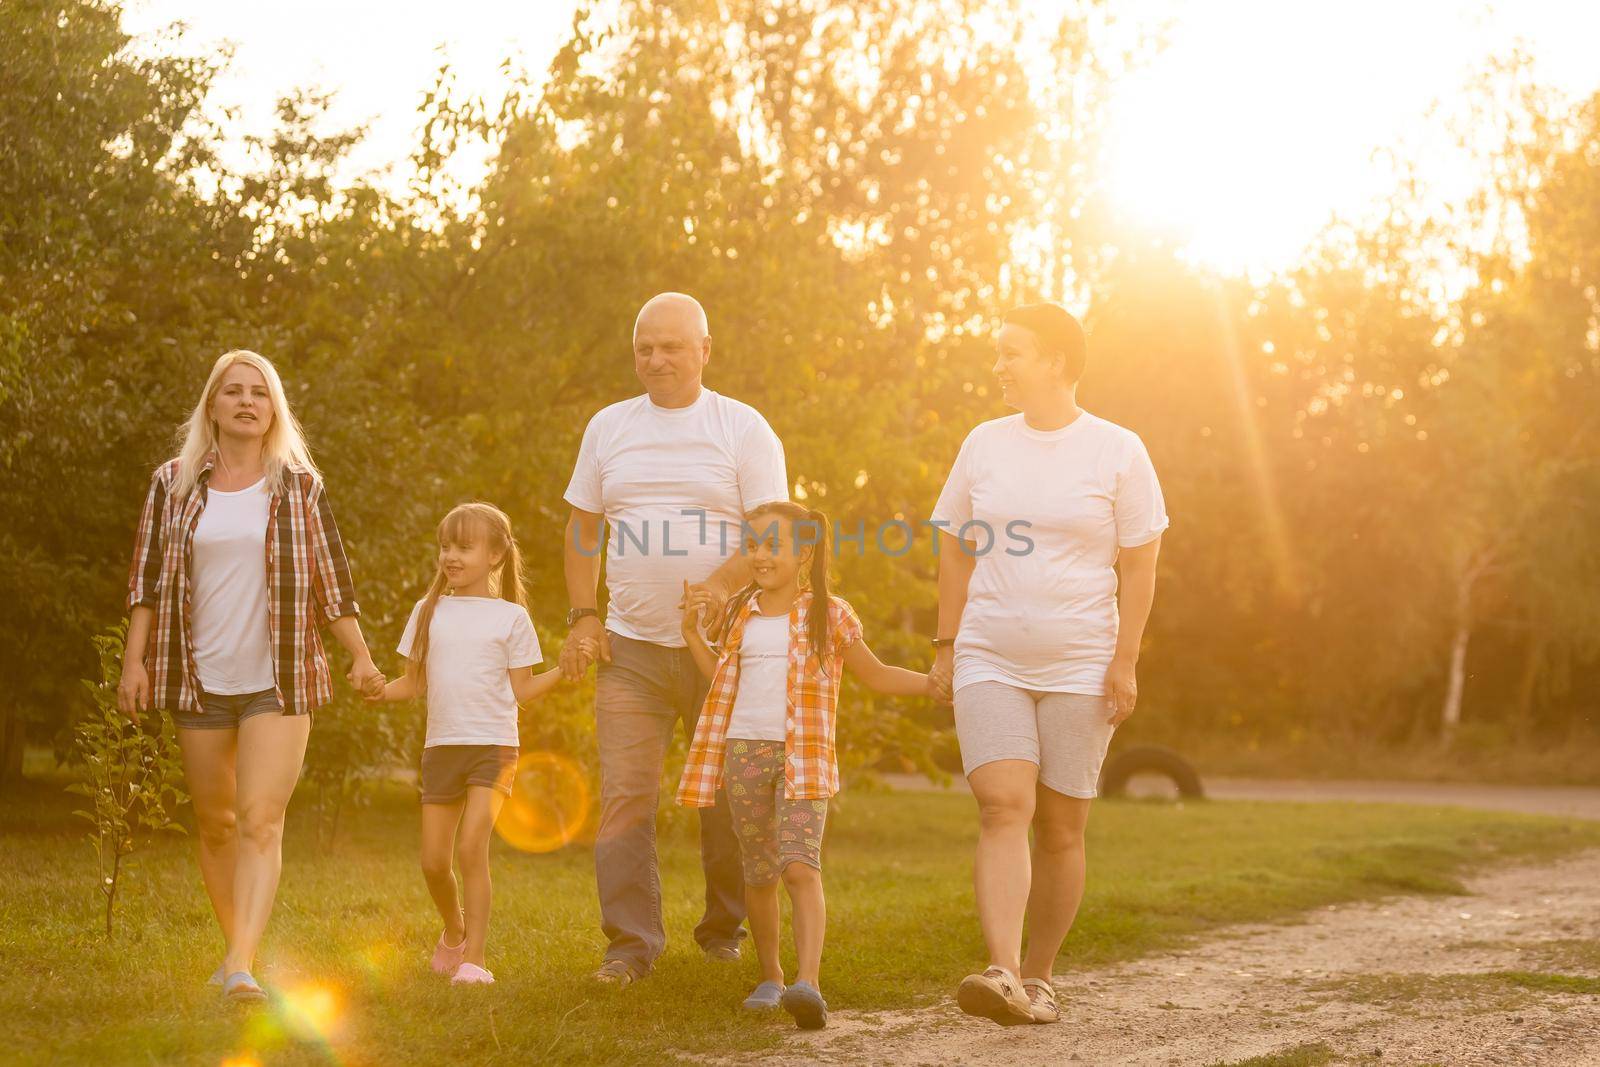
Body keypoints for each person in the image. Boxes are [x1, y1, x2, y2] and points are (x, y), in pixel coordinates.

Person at [928, 303, 1168, 1025]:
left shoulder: (1118, 450)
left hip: (1082, 664)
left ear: (1058, 362)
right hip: (990, 652)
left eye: (1012, 353)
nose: (998, 366)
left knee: (1061, 827)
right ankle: (1001, 970)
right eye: (998, 353)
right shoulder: (984, 444)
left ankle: (1040, 976)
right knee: (1003, 805)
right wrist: (946, 644)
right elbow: (954, 545)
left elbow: (1141, 562)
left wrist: (1124, 660)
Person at [119, 349, 384, 1003]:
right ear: (212, 405)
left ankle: (239, 961)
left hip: (281, 675)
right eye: (232, 391)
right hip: (196, 676)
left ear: (273, 409)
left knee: (261, 818)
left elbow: (332, 581)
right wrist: (134, 659)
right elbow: (146, 580)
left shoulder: (299, 484)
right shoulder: (171, 482)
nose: (245, 401)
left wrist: (360, 653)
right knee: (216, 823)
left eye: (257, 392)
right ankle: (236, 949)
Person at [560, 292, 789, 985]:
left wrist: (719, 588)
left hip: (724, 654)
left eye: (671, 347)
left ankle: (724, 930)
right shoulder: (608, 427)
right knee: (626, 795)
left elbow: (770, 531)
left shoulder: (744, 428)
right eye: (644, 348)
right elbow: (582, 528)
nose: (656, 360)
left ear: (705, 350)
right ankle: (630, 945)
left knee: (730, 796)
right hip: (629, 649)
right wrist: (583, 613)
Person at [676, 500, 933, 1029]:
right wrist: (690, 637)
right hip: (744, 751)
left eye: (773, 544)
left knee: (799, 865)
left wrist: (933, 684)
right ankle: (770, 976)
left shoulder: (830, 614)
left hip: (805, 755)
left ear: (805, 552)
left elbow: (878, 674)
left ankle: (807, 982)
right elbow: (720, 679)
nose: (760, 555)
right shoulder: (740, 612)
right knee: (760, 871)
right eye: (752, 545)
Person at [371, 502, 582, 985]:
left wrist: (567, 667)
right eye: (446, 546)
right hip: (441, 748)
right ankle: (455, 929)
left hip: (493, 748)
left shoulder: (511, 618)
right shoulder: (427, 612)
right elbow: (412, 684)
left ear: (495, 556)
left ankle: (476, 960)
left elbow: (523, 690)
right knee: (432, 862)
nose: (451, 556)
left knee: (472, 847)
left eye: (464, 547)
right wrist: (377, 691)